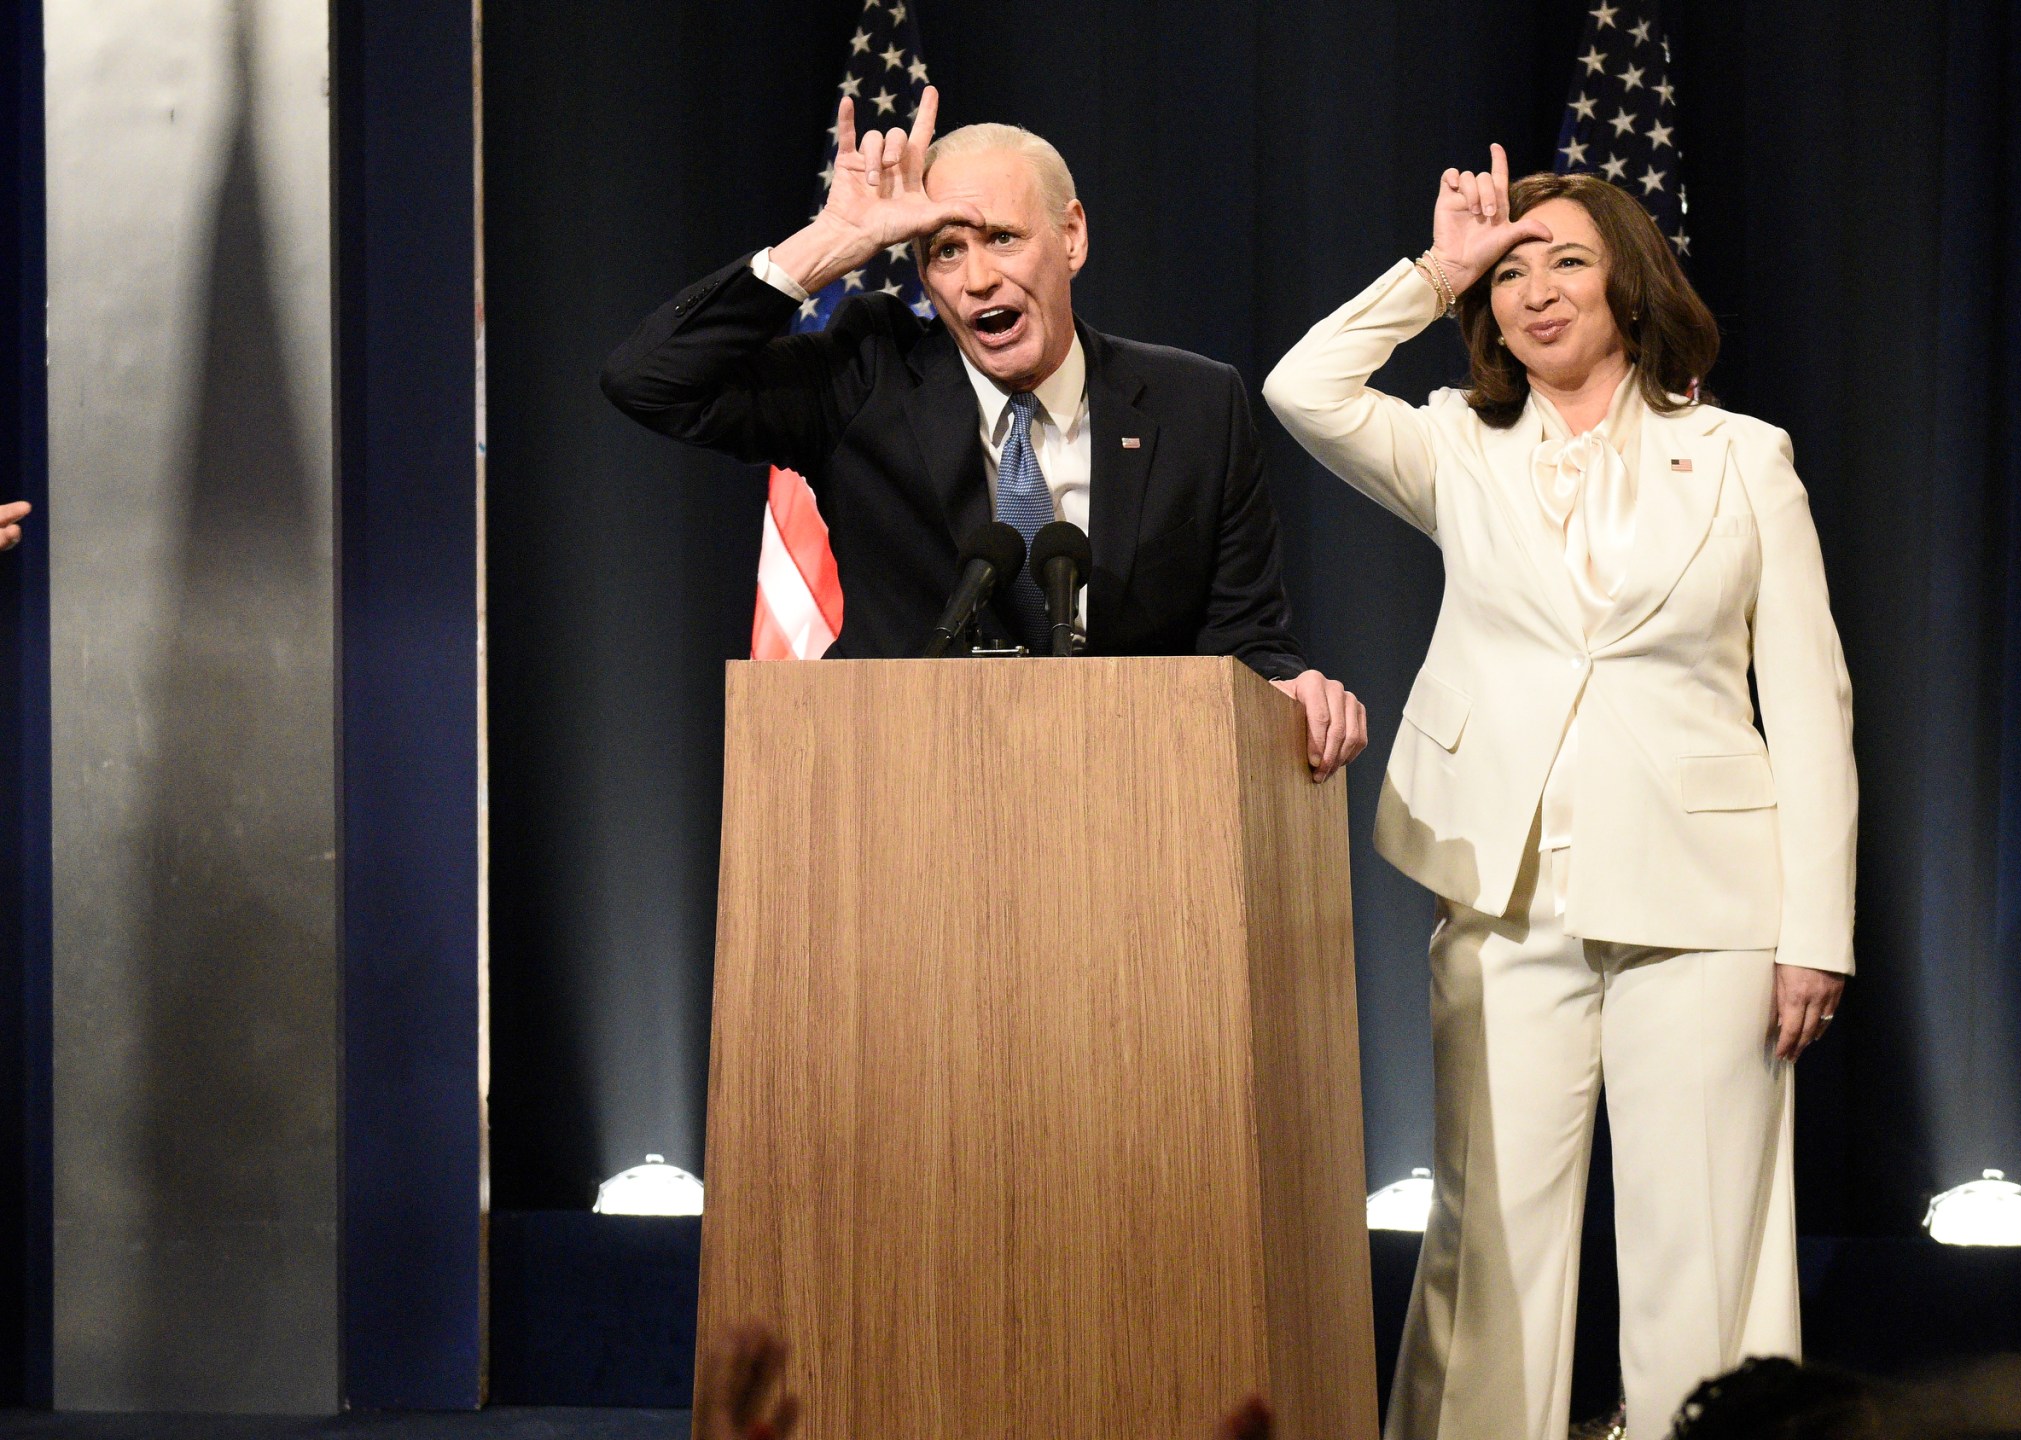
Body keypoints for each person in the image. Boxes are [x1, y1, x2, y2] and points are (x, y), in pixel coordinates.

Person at [1263, 148, 1859, 1440]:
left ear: (1631, 288)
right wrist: (1438, 271)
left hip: (1708, 909)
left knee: (1701, 1246)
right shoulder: (1456, 451)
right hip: (1506, 896)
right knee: (1490, 1255)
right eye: (1514, 270)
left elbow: (1812, 706)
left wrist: (1817, 931)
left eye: (1567, 262)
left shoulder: (1746, 459)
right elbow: (1299, 388)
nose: (1536, 290)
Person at [602, 89, 1365, 777]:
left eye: (1001, 237)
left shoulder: (1197, 405)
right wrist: (832, 241)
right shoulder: (869, 376)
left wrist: (1291, 688)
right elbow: (651, 379)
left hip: (1131, 810)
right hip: (907, 798)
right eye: (945, 249)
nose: (975, 280)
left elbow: (1245, 639)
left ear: (1071, 237)